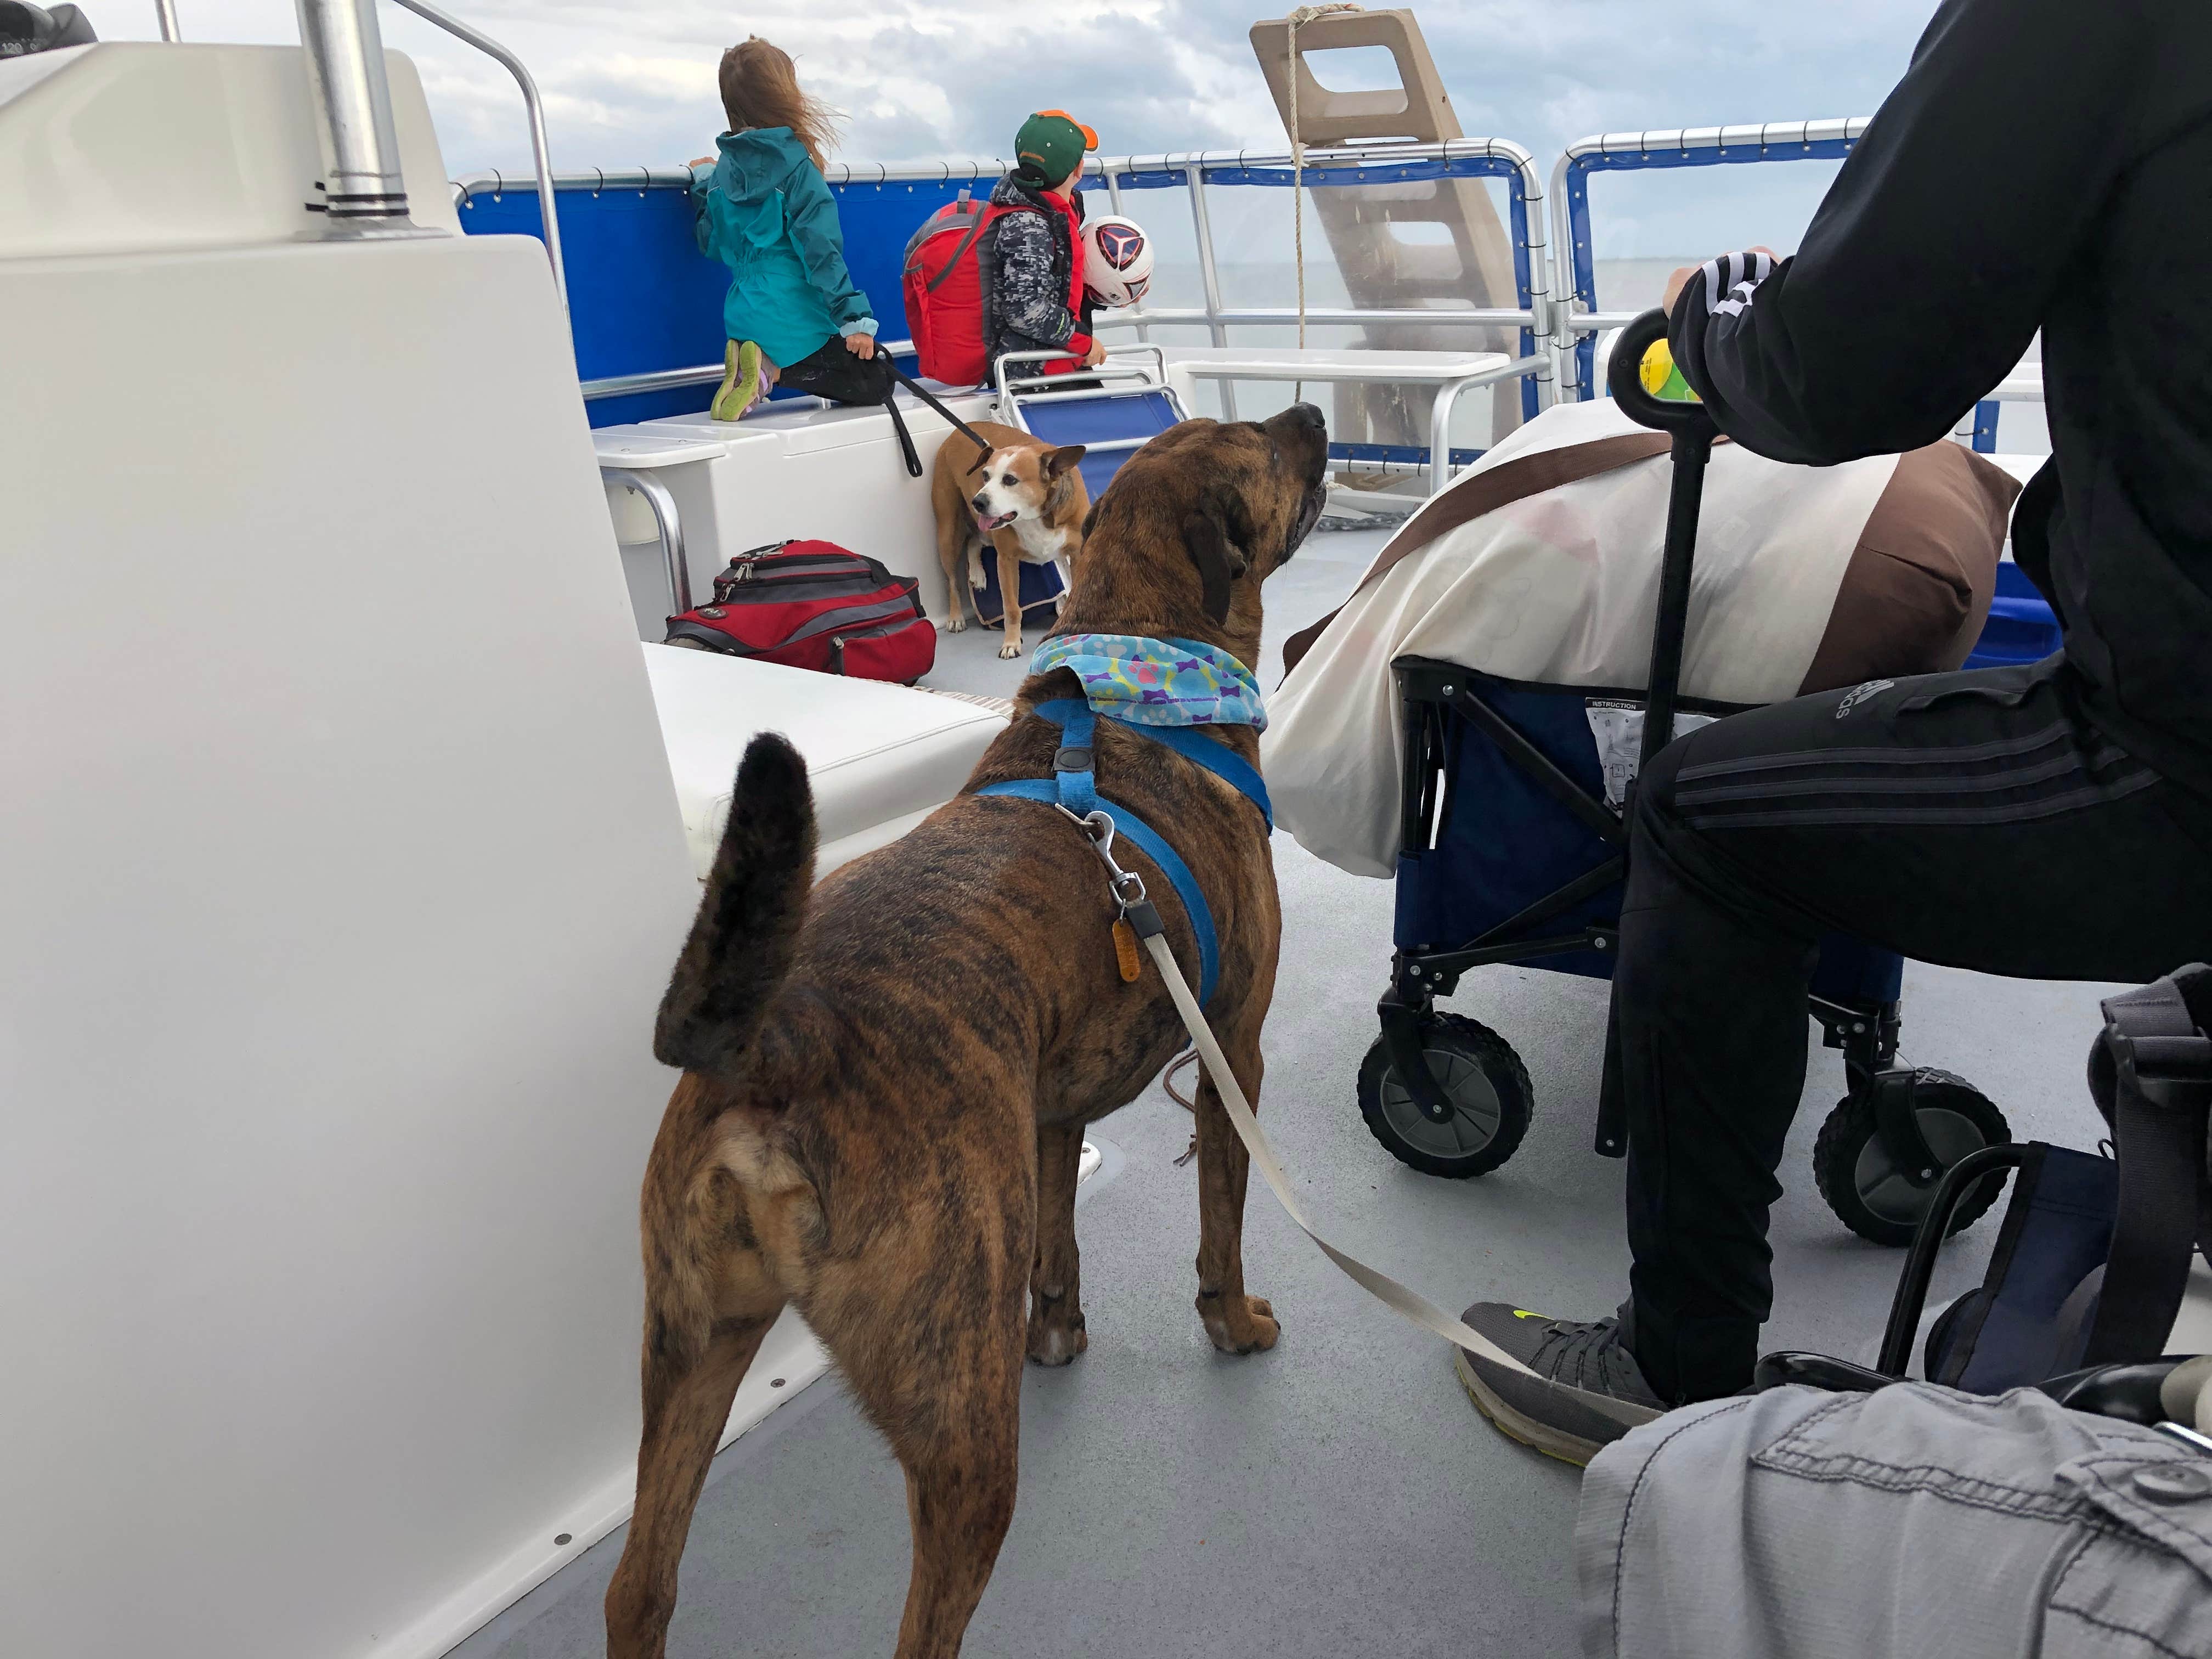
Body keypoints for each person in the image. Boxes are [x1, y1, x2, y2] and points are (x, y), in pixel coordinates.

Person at [1452, 0, 2212, 1464]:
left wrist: (1704, 333)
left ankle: (1670, 1367)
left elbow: (1856, 360)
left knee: (1702, 817)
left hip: (2180, 752)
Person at [689, 37, 884, 422]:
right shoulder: (798, 170)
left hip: (743, 312)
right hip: (791, 317)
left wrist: (701, 181)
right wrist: (853, 318)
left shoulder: (722, 174)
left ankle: (758, 367)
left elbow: (709, 243)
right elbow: (821, 252)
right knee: (876, 378)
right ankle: (771, 370)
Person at [980, 110, 1109, 385]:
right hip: (1032, 373)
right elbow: (1024, 310)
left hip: (1052, 359)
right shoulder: (1030, 227)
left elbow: (1056, 286)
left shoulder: (1051, 215)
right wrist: (1083, 342)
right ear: (1078, 169)